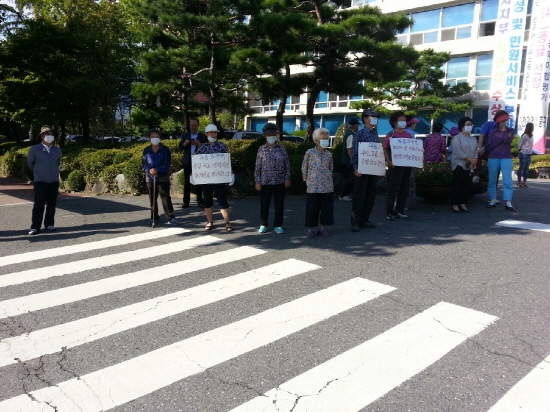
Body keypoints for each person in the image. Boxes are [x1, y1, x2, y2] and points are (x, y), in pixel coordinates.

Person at [254, 122, 291, 234]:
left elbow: (287, 164)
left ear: (277, 135)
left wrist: (287, 178)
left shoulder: (282, 148)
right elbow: (258, 166)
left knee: (279, 204)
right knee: (264, 204)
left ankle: (278, 225)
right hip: (265, 181)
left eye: (273, 134)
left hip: (280, 180)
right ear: (265, 136)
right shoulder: (261, 149)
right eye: (269, 135)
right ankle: (263, 224)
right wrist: (257, 180)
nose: (271, 136)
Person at [195, 124, 234, 231]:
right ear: (206, 134)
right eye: (211, 132)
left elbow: (227, 161)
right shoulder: (202, 147)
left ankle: (227, 223)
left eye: (215, 132)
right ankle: (210, 222)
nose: (213, 134)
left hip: (219, 179)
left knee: (222, 200)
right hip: (206, 179)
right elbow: (196, 162)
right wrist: (193, 174)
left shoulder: (222, 146)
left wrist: (231, 174)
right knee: (207, 200)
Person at [26, 126, 62, 236]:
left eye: (51, 134)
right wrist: (38, 171)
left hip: (53, 180)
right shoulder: (34, 149)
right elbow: (30, 163)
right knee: (39, 204)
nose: (50, 136)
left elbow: (58, 163)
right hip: (40, 180)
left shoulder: (57, 150)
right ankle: (35, 226)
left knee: (52, 203)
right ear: (42, 136)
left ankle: (49, 224)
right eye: (47, 134)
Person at [350, 108, 381, 231]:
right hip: (362, 169)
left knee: (371, 195)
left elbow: (377, 153)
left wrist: (380, 169)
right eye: (373, 117)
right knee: (359, 196)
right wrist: (355, 168)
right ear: (365, 119)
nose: (375, 119)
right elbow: (355, 152)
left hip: (373, 169)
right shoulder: (360, 134)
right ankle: (355, 221)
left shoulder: (375, 133)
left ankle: (365, 219)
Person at [142, 129, 179, 226]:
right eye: (153, 136)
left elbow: (167, 164)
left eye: (157, 136)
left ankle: (170, 217)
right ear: (149, 138)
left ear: (160, 138)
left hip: (162, 177)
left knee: (165, 198)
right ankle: (154, 217)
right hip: (150, 178)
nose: (155, 138)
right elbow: (144, 164)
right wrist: (149, 170)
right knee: (152, 198)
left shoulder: (165, 149)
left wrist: (157, 170)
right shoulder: (146, 150)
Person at [302, 128, 334, 238]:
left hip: (326, 185)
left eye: (326, 138)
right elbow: (304, 167)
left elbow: (331, 168)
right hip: (313, 185)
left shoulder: (329, 154)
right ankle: (310, 229)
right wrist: (306, 180)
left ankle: (322, 228)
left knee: (326, 208)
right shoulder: (310, 152)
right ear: (316, 140)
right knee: (312, 208)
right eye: (322, 138)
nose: (325, 140)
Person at [383, 111, 412, 221]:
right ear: (395, 123)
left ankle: (399, 210)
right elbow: (385, 149)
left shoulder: (408, 135)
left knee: (405, 188)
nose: (404, 122)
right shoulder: (390, 135)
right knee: (393, 189)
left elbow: (413, 150)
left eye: (405, 120)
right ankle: (389, 212)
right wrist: (388, 162)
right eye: (401, 120)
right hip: (395, 166)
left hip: (407, 165)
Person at [486, 112, 515, 211]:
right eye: (502, 121)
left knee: (507, 180)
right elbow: (490, 145)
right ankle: (492, 199)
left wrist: (502, 135)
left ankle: (508, 201)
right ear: (498, 122)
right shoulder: (492, 132)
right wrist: (503, 135)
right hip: (493, 157)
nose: (504, 123)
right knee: (492, 179)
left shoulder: (511, 130)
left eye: (505, 120)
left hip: (506, 157)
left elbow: (508, 140)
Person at [451, 117, 478, 213]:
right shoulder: (457, 138)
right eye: (467, 124)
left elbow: (476, 151)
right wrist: (470, 159)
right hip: (459, 164)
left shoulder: (473, 139)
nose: (470, 126)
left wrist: (474, 160)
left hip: (470, 165)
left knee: (467, 185)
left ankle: (463, 203)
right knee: (458, 185)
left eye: (471, 124)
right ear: (462, 126)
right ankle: (455, 204)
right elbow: (458, 151)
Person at [178, 118, 207, 208]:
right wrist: (185, 144)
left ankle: (200, 201)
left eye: (195, 126)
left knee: (199, 182)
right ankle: (186, 202)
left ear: (198, 126)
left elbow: (206, 148)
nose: (193, 127)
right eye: (191, 126)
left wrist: (199, 144)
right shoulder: (185, 135)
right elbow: (180, 147)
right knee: (187, 182)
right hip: (188, 161)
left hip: (198, 161)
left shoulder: (202, 136)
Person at [339, 118, 359, 201]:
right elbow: (349, 149)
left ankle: (344, 194)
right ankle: (343, 195)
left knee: (347, 178)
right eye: (357, 125)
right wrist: (352, 159)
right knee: (347, 179)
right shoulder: (350, 135)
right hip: (348, 161)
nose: (358, 127)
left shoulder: (349, 133)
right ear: (355, 126)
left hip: (346, 160)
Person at [517, 122, 534, 188]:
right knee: (521, 168)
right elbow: (520, 144)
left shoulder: (531, 136)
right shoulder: (525, 136)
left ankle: (524, 181)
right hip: (523, 153)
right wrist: (520, 150)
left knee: (526, 169)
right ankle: (519, 181)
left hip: (529, 154)